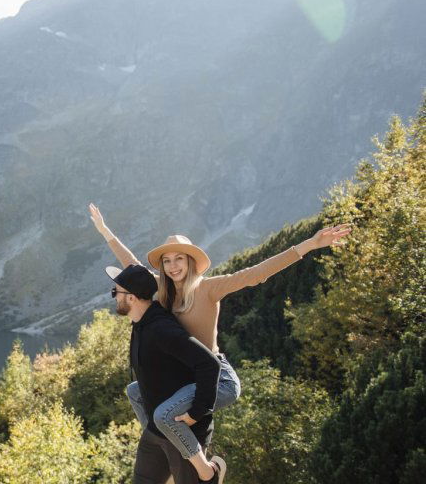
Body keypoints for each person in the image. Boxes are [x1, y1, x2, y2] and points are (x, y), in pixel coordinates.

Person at [89, 202, 351, 480]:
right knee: (136, 391)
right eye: (167, 260)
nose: (173, 265)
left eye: (179, 259)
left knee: (164, 415)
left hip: (217, 378)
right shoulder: (164, 290)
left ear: (190, 261)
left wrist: (308, 245)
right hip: (188, 378)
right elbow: (133, 267)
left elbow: (255, 274)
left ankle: (209, 473)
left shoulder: (208, 288)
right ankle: (166, 442)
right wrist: (106, 232)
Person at [107, 263, 225, 484]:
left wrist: (197, 413)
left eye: (116, 292)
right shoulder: (141, 323)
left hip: (181, 434)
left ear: (131, 297)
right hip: (156, 431)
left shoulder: (161, 329)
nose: (114, 297)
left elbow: (210, 364)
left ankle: (211, 475)